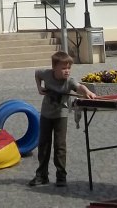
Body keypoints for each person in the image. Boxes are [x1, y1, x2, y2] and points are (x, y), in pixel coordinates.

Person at [28, 51, 97, 188]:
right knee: (44, 145)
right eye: (64, 68)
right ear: (54, 68)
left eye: (69, 68)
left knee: (60, 146)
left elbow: (79, 87)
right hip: (46, 115)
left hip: (61, 115)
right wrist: (39, 88)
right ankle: (42, 175)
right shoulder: (47, 74)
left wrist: (87, 92)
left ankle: (61, 176)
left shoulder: (69, 81)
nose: (67, 71)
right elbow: (37, 73)